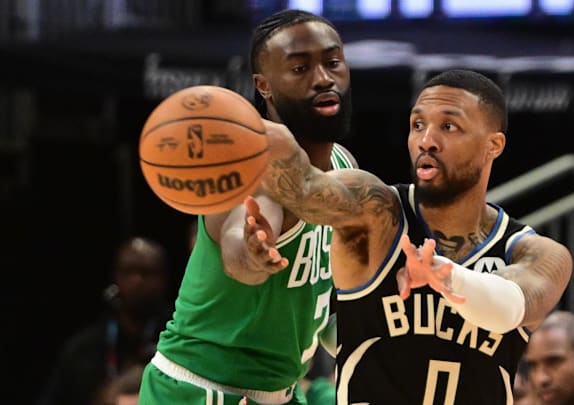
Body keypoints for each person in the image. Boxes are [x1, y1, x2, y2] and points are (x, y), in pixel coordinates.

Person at [254, 68, 573, 404]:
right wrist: (253, 134)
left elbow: (511, 307)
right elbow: (307, 189)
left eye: (448, 126)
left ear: (493, 145)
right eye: (418, 125)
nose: (426, 140)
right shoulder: (374, 211)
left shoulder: (538, 253)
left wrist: (448, 278)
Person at [138, 9, 356, 405]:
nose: (323, 78)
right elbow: (239, 245)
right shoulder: (248, 168)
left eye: (332, 62)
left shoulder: (344, 165)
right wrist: (253, 252)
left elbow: (326, 300)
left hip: (278, 391)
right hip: (202, 387)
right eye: (300, 68)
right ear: (264, 86)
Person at [38, 237, 171, 405]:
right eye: (128, 271)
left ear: (164, 279)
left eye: (146, 272)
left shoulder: (181, 338)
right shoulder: (83, 349)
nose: (137, 280)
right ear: (115, 277)